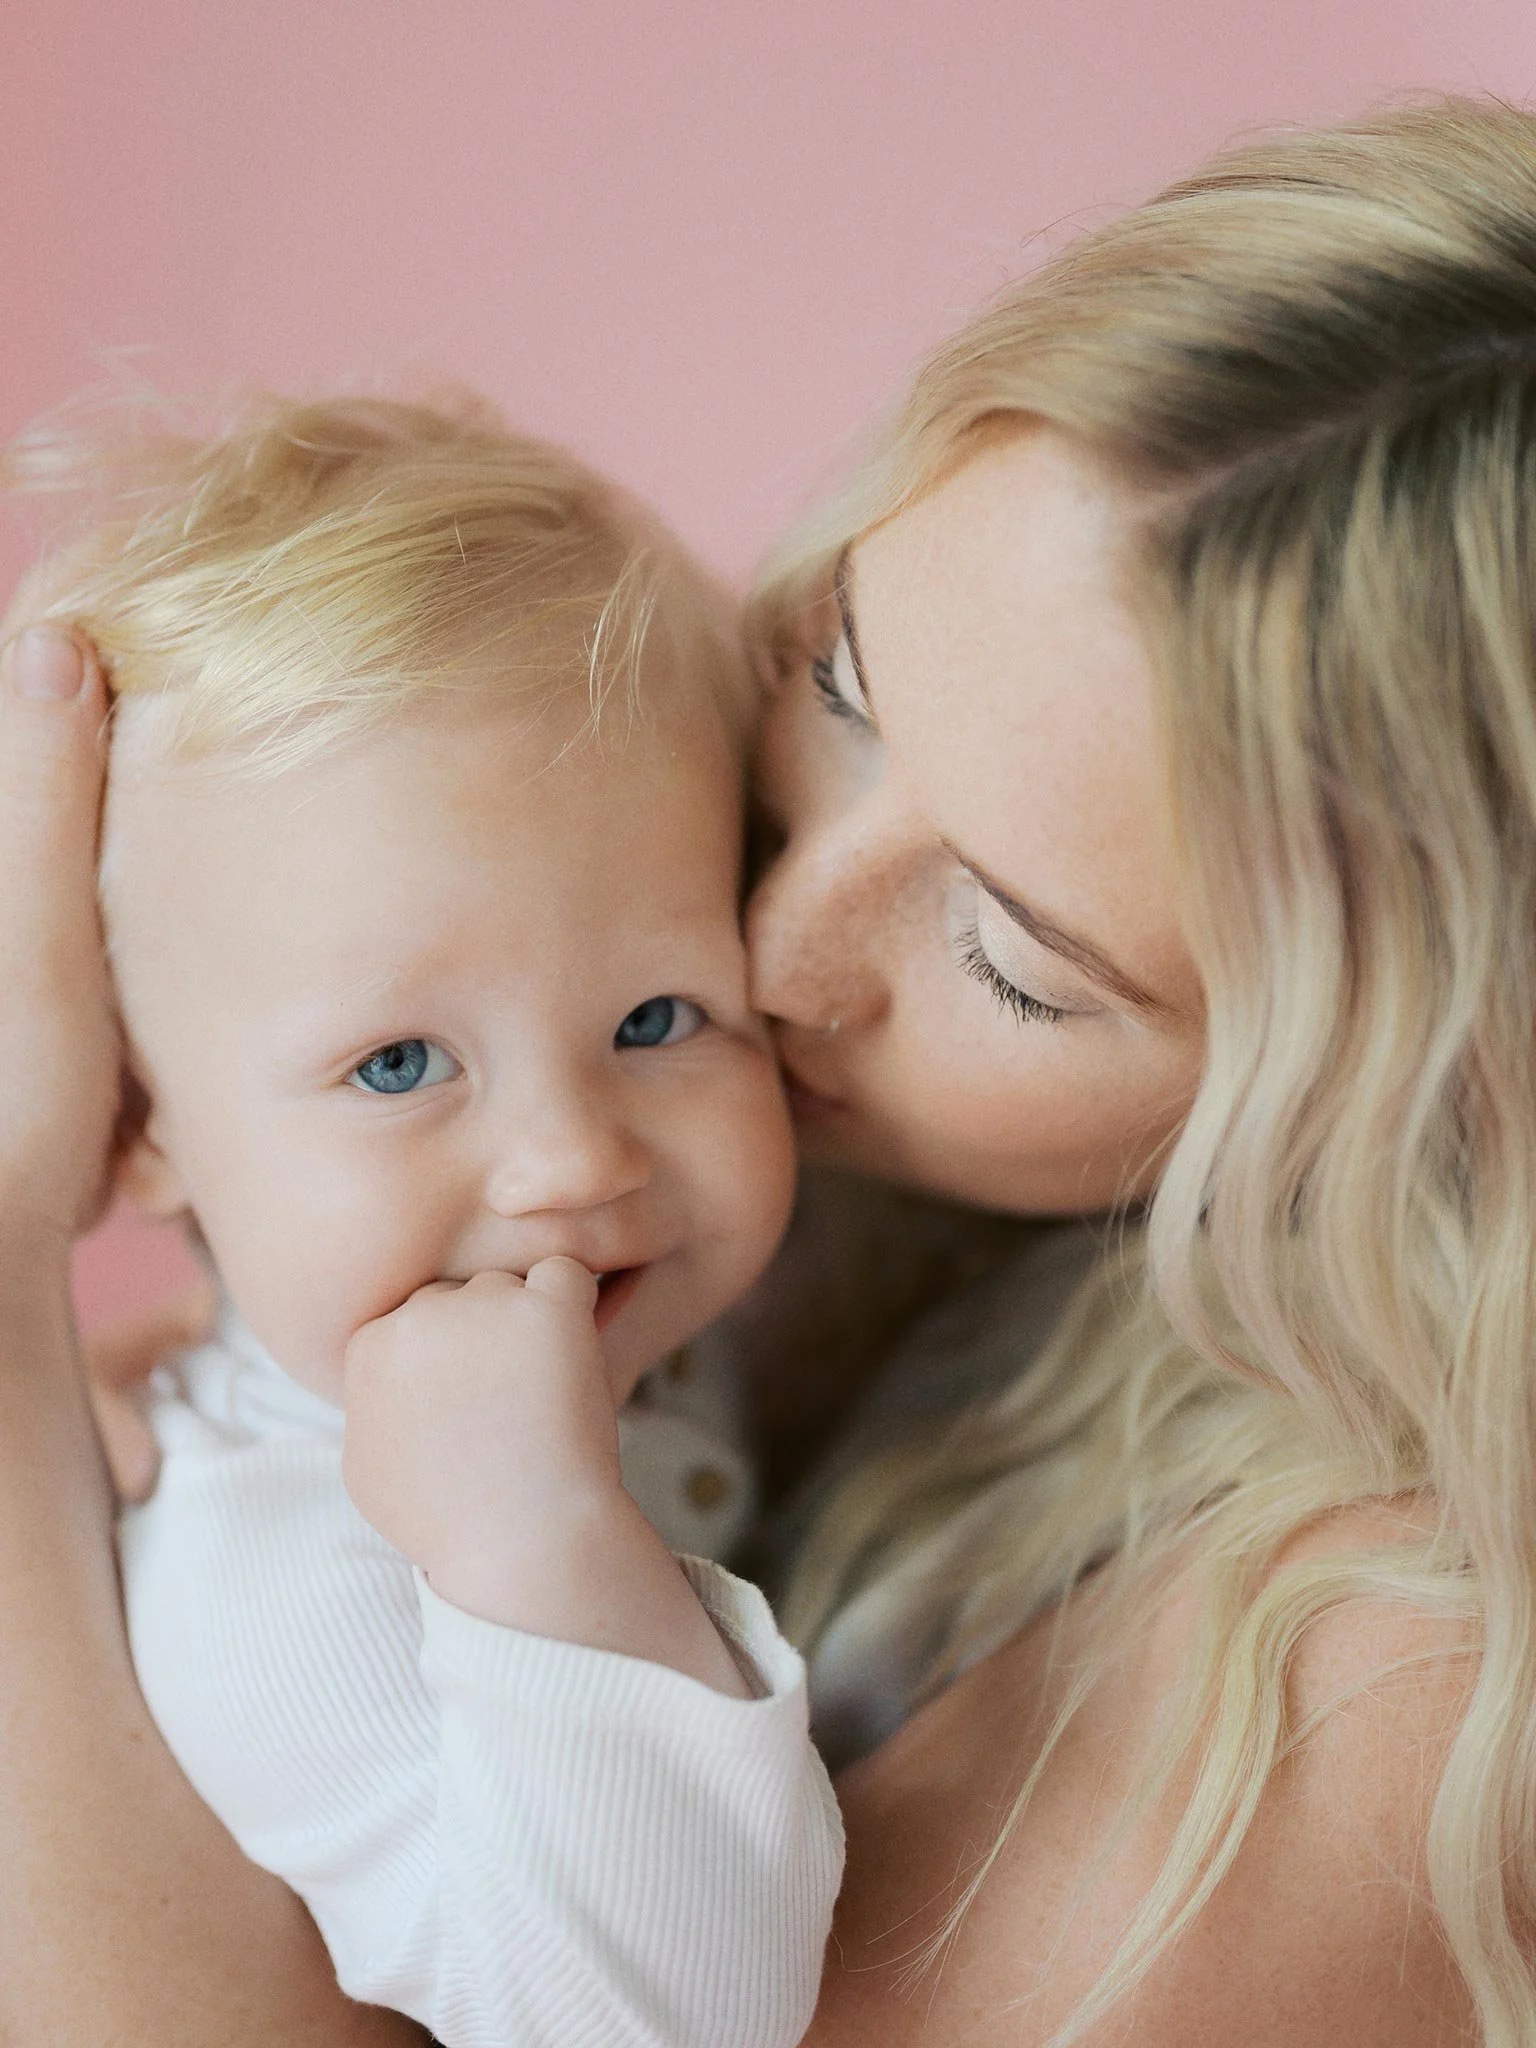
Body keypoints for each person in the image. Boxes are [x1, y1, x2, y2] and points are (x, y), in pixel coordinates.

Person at [0, 93, 1525, 2047]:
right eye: (841, 682)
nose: (769, 950)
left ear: (1414, 1096)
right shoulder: (667, 1283)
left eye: (1011, 958)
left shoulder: (1392, 1674)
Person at [5, 392, 840, 2048]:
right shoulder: (296, 1587)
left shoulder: (612, 1312)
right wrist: (530, 1544)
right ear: (141, 1124)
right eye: (399, 1062)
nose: (567, 1158)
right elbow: (659, 2023)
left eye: (662, 1017)